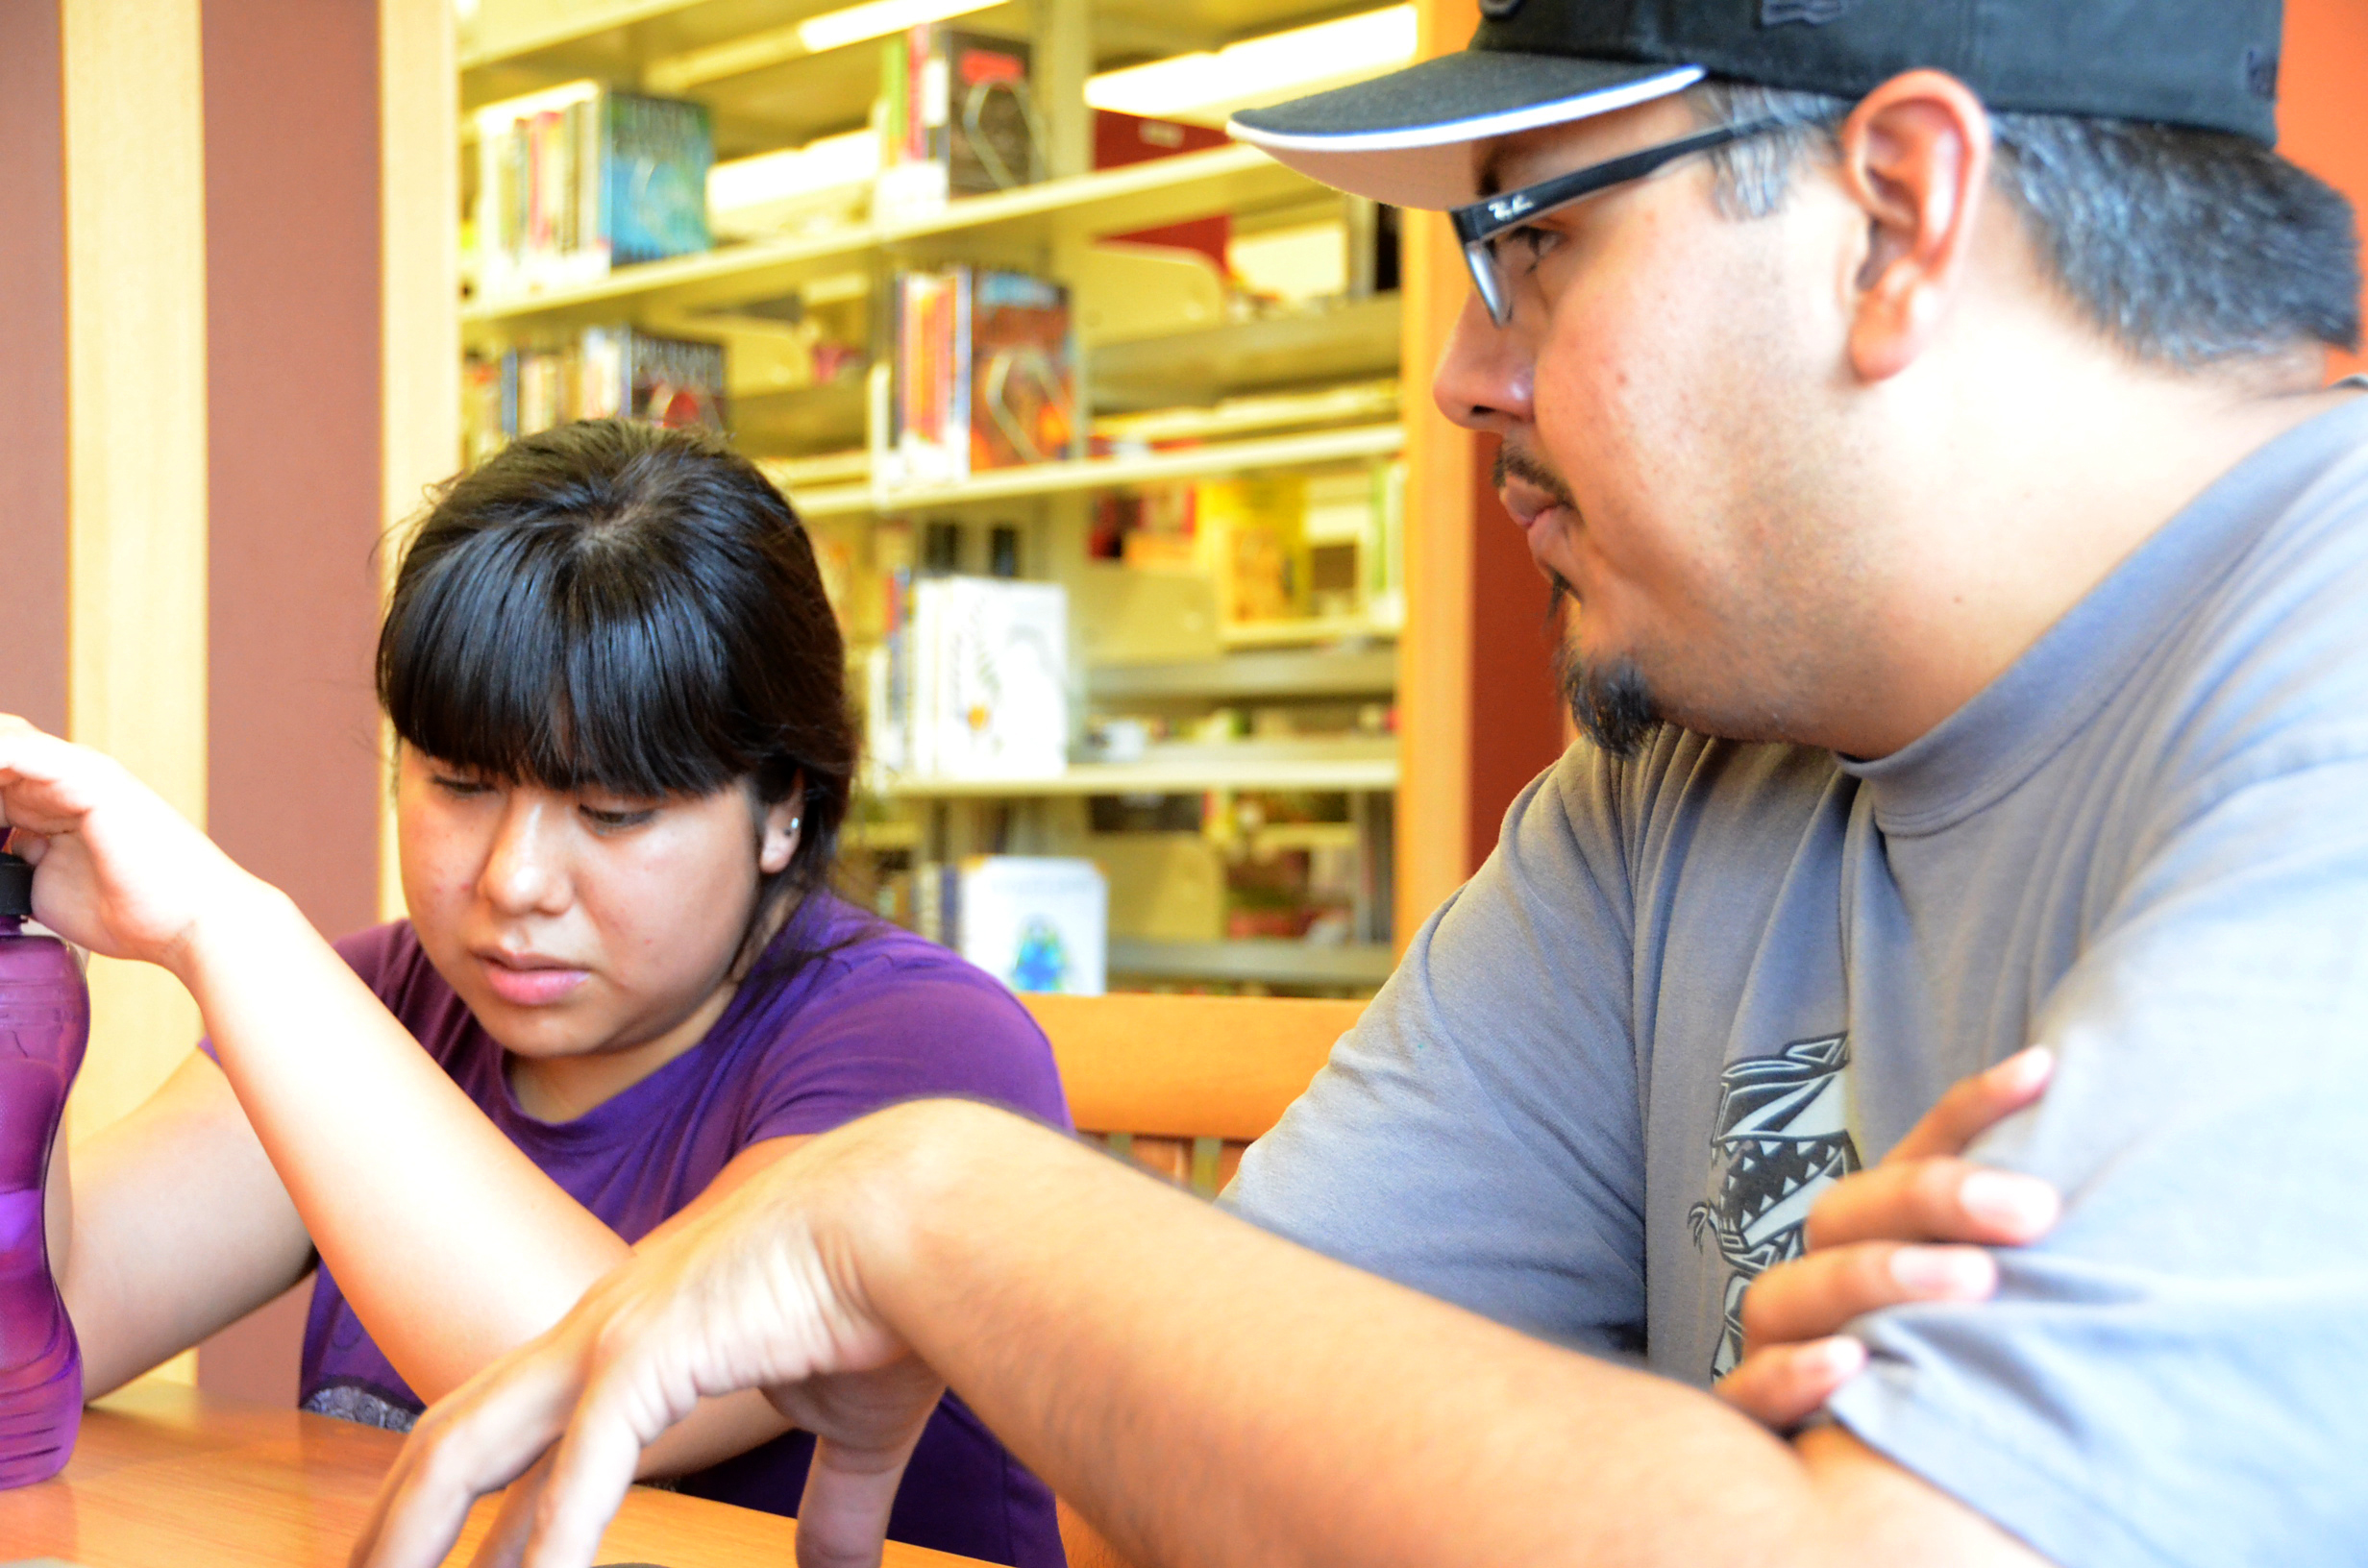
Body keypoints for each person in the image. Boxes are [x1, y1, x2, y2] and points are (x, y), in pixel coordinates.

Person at [351, 0, 2368, 1562]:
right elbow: (1154, 1491)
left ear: (1898, 221)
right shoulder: (1676, 780)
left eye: (1537, 239)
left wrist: (926, 1202)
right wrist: (1715, 1481)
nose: (1463, 376)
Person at [6, 421, 1066, 1566]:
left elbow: (608, 1388)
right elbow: (51, 1318)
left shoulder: (935, 1053)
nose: (513, 881)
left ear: (784, 808)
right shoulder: (384, 1004)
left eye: (612, 813)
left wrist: (221, 923)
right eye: (460, 784)